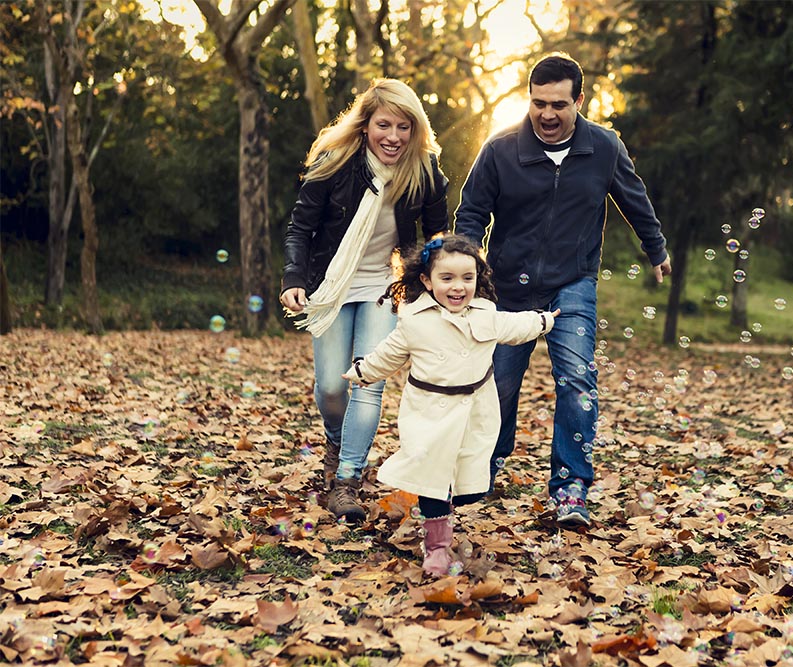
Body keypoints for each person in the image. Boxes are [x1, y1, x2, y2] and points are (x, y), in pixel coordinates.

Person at [454, 53, 672, 528]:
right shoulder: (500, 149)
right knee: (497, 385)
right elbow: (471, 212)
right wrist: (466, 267)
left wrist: (656, 249)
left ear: (579, 100)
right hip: (507, 288)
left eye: (558, 104)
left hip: (572, 282)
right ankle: (482, 467)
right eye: (537, 104)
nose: (547, 115)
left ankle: (571, 488)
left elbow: (635, 200)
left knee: (577, 381)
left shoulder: (604, 147)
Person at [280, 78, 449, 524]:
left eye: (404, 127)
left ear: (416, 130)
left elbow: (435, 241)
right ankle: (337, 442)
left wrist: (442, 286)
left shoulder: (426, 174)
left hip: (383, 289)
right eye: (384, 125)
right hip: (330, 288)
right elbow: (301, 228)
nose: (393, 136)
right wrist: (294, 277)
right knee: (332, 388)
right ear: (365, 125)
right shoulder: (335, 164)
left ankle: (347, 479)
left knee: (368, 383)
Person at [342, 233, 559, 575]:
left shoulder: (486, 314)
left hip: (475, 410)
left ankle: (446, 508)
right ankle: (437, 546)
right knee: (434, 480)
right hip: (430, 411)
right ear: (427, 281)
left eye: (467, 278)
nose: (458, 287)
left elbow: (516, 326)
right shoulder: (414, 320)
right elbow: (389, 353)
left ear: (478, 278)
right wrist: (362, 371)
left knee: (472, 486)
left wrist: (544, 320)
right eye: (447, 278)